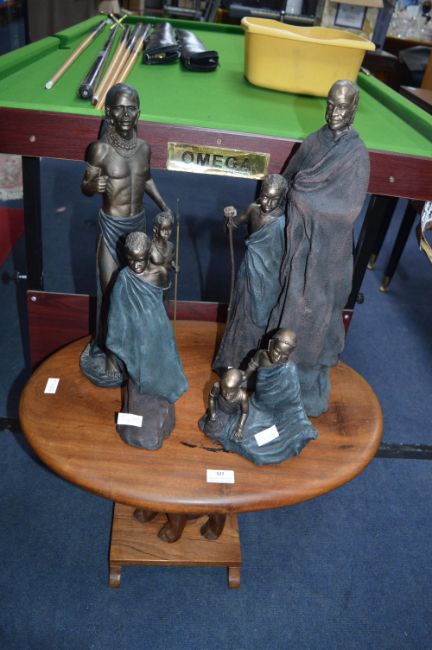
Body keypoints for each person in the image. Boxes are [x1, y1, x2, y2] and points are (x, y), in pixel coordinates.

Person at [268, 80, 370, 417]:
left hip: (327, 253)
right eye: (330, 104)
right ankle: (279, 366)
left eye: (342, 106)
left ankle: (307, 377)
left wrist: (303, 199)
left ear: (353, 108)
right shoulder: (314, 141)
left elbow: (348, 209)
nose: (334, 112)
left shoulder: (356, 154)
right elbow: (289, 177)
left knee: (316, 312)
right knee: (289, 301)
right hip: (299, 244)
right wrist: (279, 195)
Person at [80, 82, 171, 387]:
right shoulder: (99, 149)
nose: (125, 114)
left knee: (136, 294)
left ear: (138, 112)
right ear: (108, 112)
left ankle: (132, 346)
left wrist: (164, 206)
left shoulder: (144, 148)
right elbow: (86, 185)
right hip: (111, 228)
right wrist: (93, 186)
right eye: (118, 108)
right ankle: (109, 353)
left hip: (138, 228)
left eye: (131, 108)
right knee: (111, 294)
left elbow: (146, 178)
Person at [106, 231, 188, 449]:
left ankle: (160, 405)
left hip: (156, 331)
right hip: (134, 335)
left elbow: (161, 301)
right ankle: (139, 412)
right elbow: (116, 312)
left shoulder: (159, 273)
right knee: (137, 376)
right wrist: (118, 338)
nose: (136, 265)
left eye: (141, 259)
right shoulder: (124, 278)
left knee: (161, 367)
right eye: (131, 259)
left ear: (148, 254)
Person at [212, 174, 288, 374]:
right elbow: (229, 229)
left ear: (282, 199)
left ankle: (255, 364)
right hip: (249, 271)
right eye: (265, 197)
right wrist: (228, 218)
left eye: (274, 199)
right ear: (260, 193)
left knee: (260, 319)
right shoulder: (253, 210)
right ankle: (232, 359)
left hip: (270, 278)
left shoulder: (284, 222)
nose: (267, 203)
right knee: (241, 313)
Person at [199, 368, 249, 443]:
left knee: (234, 436)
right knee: (210, 429)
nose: (226, 395)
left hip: (233, 413)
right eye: (224, 391)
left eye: (231, 393)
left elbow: (245, 413)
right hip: (220, 409)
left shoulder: (242, 396)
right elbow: (212, 398)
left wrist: (240, 428)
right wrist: (213, 413)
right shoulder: (217, 386)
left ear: (238, 387)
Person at [147, 211, 177, 290]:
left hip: (165, 283)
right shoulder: (150, 247)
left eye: (169, 229)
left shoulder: (171, 246)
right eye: (163, 229)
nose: (167, 233)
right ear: (155, 229)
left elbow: (170, 260)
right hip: (151, 285)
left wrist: (174, 266)